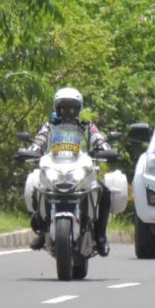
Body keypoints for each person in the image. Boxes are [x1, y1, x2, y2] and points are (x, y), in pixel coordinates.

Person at [25, 87, 113, 256]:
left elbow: (100, 141)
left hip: (80, 169)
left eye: (72, 107)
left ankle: (101, 236)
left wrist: (105, 149)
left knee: (105, 192)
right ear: (57, 108)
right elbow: (39, 141)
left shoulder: (87, 127)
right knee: (36, 187)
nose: (67, 111)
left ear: (78, 108)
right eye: (63, 107)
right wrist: (32, 150)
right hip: (55, 168)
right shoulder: (49, 126)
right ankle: (43, 233)